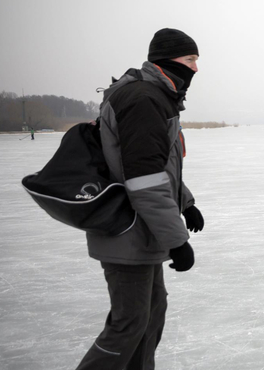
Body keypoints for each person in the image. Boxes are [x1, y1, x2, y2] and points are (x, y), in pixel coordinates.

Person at [77, 28, 205, 370]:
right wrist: (177, 240)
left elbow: (159, 163)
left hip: (140, 230)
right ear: (167, 60)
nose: (196, 68)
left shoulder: (156, 96)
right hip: (127, 228)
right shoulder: (144, 99)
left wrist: (186, 202)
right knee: (130, 323)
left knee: (149, 316)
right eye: (190, 59)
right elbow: (144, 181)